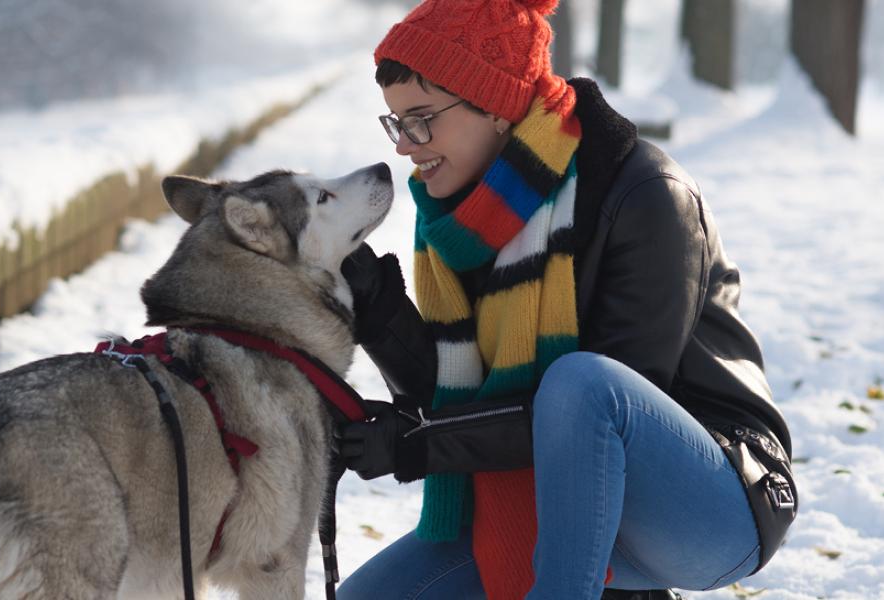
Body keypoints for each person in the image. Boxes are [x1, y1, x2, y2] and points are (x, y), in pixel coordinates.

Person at [334, 1, 798, 599]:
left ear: (497, 105)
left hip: (711, 502)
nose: (406, 147)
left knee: (580, 385)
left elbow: (598, 419)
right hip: (553, 508)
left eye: (422, 119)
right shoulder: (458, 218)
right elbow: (455, 404)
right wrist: (381, 315)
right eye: (397, 123)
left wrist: (418, 439)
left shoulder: (645, 193)